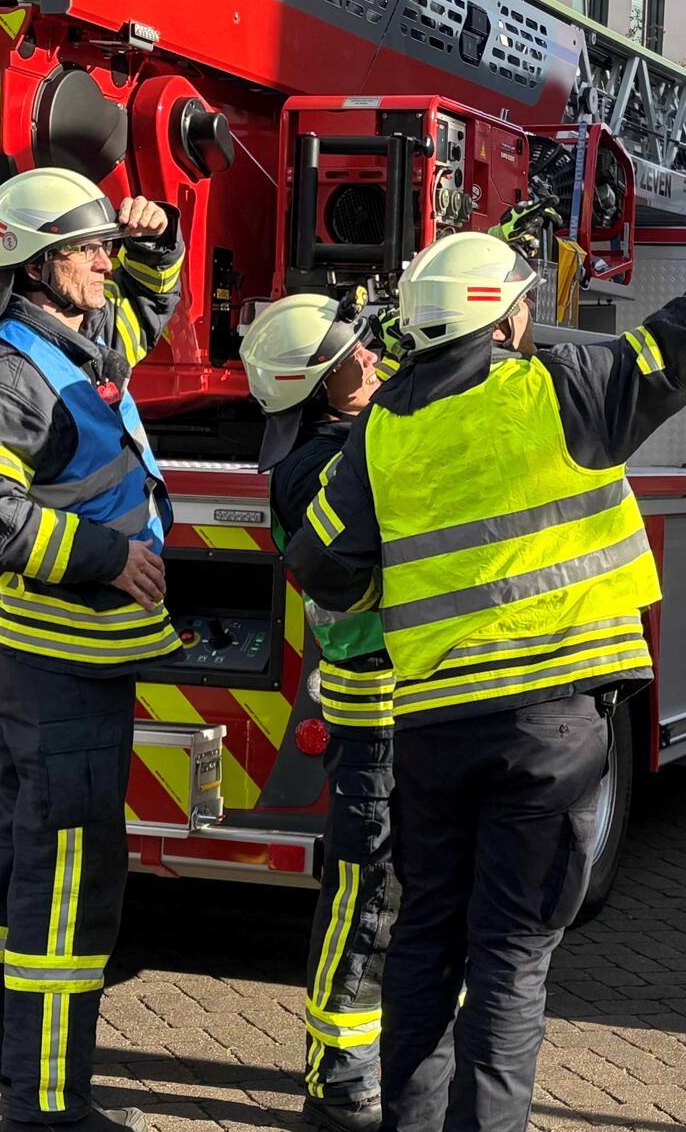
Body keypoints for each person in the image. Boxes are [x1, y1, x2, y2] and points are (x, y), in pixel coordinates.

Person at [286, 154, 686, 1131]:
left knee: (423, 940)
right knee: (507, 956)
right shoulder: (568, 385)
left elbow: (323, 564)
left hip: (428, 727)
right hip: (550, 731)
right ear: (501, 318)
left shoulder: (381, 431)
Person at [0, 167, 182, 1132]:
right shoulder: (10, 372)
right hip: (59, 664)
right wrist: (106, 557)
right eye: (92, 248)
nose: (108, 263)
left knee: (3, 872)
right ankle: (44, 1110)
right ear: (38, 266)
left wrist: (155, 238)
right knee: (67, 895)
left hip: (62, 666)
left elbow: (149, 309)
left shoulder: (75, 336)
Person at [240, 294, 398, 1132]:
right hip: (374, 705)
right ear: (313, 383)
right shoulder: (316, 470)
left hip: (413, 697)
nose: (372, 362)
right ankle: (336, 1079)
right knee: (362, 890)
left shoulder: (346, 437)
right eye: (355, 357)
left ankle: (390, 1061)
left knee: (403, 889)